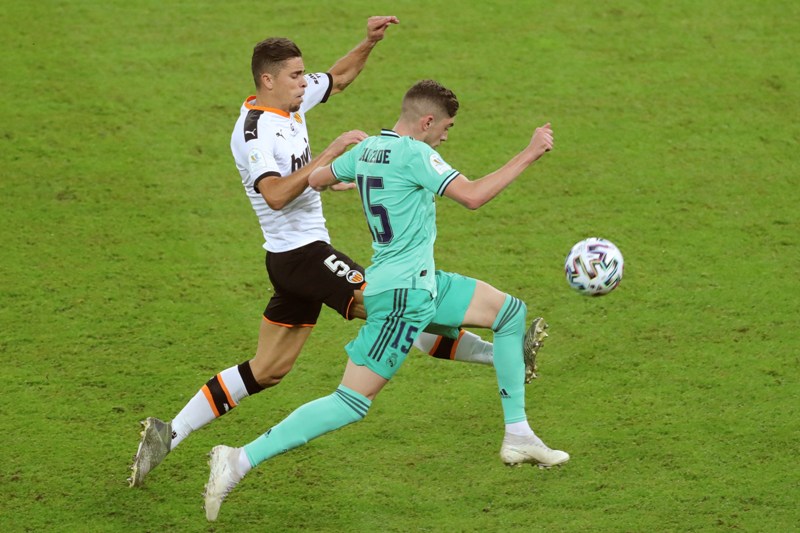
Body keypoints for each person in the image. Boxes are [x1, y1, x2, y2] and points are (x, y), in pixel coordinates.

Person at [129, 19, 547, 488]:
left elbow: (340, 78)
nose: (306, 83)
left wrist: (368, 43)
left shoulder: (290, 102)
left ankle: (171, 433)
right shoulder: (254, 134)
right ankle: (501, 356)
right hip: (304, 255)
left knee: (268, 370)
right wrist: (327, 156)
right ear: (267, 80)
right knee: (397, 308)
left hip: (288, 262)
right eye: (295, 76)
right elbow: (276, 196)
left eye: (304, 75)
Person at [202, 79, 568, 521]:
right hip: (402, 298)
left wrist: (349, 173)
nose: (446, 136)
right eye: (446, 127)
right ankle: (237, 460)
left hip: (422, 282)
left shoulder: (369, 150)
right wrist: (529, 152)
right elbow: (472, 196)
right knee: (350, 402)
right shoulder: (416, 154)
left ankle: (519, 433)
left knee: (510, 312)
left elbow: (317, 178)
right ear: (427, 121)